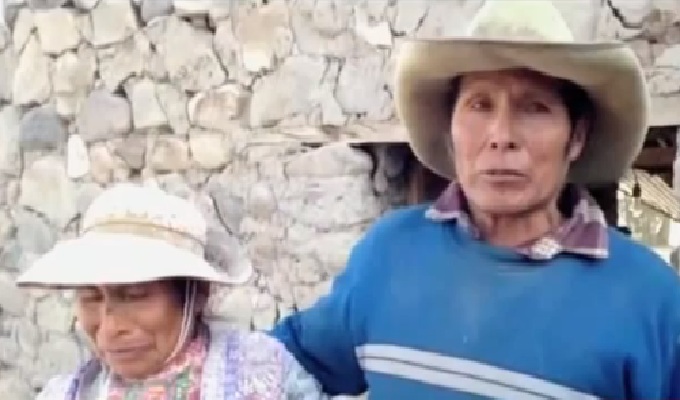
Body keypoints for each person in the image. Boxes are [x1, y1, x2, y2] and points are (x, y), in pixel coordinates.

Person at [271, 0, 680, 399]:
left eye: (535, 108)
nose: (501, 135)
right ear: (451, 130)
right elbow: (290, 364)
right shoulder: (390, 253)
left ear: (576, 137)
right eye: (480, 105)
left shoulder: (652, 301)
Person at [17, 183, 326, 400]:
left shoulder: (266, 376)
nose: (109, 329)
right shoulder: (65, 393)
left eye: (135, 295)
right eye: (90, 297)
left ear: (197, 294)